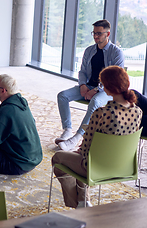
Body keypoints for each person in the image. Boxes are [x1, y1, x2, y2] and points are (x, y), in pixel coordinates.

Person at [52, 66, 142, 209]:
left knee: (58, 158)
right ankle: (83, 201)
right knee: (82, 159)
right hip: (124, 167)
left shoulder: (103, 113)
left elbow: (86, 148)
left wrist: (79, 152)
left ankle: (76, 205)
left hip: (96, 168)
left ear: (107, 88)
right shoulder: (137, 111)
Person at [56, 19, 124, 151]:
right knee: (62, 96)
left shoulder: (116, 53)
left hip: (108, 90)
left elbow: (115, 77)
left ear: (107, 34)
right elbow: (82, 71)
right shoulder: (89, 50)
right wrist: (82, 85)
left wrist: (97, 90)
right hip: (88, 86)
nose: (95, 36)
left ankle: (76, 138)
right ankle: (67, 130)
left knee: (95, 101)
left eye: (99, 33)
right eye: (94, 33)